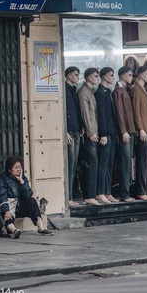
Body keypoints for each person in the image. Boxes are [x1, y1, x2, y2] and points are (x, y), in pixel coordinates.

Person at [0, 156, 54, 236]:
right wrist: (6, 210)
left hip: (19, 206)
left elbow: (28, 195)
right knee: (6, 216)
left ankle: (41, 228)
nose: (19, 169)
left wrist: (21, 182)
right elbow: (2, 196)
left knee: (32, 201)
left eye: (20, 167)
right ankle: (14, 230)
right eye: (16, 168)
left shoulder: (23, 178)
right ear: (9, 170)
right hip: (7, 206)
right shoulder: (2, 179)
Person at [94, 67, 119, 203]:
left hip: (112, 132)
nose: (112, 77)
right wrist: (103, 133)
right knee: (103, 163)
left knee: (109, 164)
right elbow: (101, 115)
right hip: (106, 132)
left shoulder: (108, 92)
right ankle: (100, 191)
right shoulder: (100, 92)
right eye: (110, 75)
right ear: (104, 76)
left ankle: (107, 191)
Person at [113, 66, 137, 202]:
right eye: (129, 75)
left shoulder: (124, 90)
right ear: (122, 75)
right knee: (124, 162)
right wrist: (123, 131)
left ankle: (126, 192)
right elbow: (119, 112)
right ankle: (124, 193)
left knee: (127, 162)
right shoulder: (118, 91)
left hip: (129, 130)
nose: (131, 77)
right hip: (126, 131)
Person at [130, 65, 147, 201]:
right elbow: (136, 111)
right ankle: (140, 190)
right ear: (140, 74)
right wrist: (141, 129)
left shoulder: (142, 89)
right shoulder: (136, 89)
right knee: (142, 160)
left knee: (145, 160)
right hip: (143, 129)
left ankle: (142, 189)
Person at [77, 68, 101, 205]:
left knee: (93, 162)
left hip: (93, 132)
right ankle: (88, 195)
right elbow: (86, 114)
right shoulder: (84, 92)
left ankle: (91, 194)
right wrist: (90, 132)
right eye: (95, 76)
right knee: (91, 163)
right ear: (88, 77)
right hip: (89, 134)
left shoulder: (90, 92)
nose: (97, 78)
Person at [64, 66, 83, 207]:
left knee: (74, 163)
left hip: (76, 130)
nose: (77, 77)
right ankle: (68, 197)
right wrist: (64, 131)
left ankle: (70, 195)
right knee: (70, 164)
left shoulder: (74, 91)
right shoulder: (64, 90)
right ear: (69, 75)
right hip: (69, 131)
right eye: (76, 74)